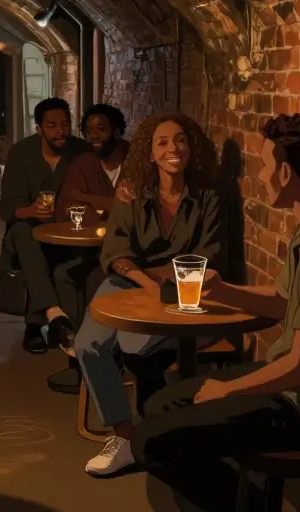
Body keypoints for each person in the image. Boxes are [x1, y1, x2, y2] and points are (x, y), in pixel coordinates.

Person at [130, 114, 300, 481]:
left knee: (150, 442)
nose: (261, 175)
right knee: (160, 403)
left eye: (266, 165)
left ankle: (244, 504)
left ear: (285, 173)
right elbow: (284, 301)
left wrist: (229, 388)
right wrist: (222, 290)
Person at [73, 113, 223, 477]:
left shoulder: (208, 197)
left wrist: (161, 280)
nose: (174, 148)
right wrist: (149, 281)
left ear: (191, 148)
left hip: (182, 289)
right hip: (132, 282)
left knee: (134, 347)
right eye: (163, 142)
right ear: (150, 153)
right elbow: (115, 253)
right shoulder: (131, 192)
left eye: (180, 140)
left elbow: (208, 257)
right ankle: (125, 439)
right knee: (87, 345)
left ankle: (161, 429)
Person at [0, 97, 90, 354]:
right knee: (24, 234)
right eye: (52, 125)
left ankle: (48, 320)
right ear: (39, 128)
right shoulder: (21, 152)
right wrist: (31, 210)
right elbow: (6, 208)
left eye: (65, 124)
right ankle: (48, 316)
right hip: (28, 228)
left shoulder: (81, 151)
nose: (60, 131)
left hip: (67, 230)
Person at [54, 103, 130, 225]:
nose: (94, 135)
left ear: (116, 131)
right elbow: (66, 207)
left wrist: (84, 198)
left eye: (101, 129)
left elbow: (134, 209)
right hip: (89, 239)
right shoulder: (82, 163)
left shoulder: (136, 159)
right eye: (88, 131)